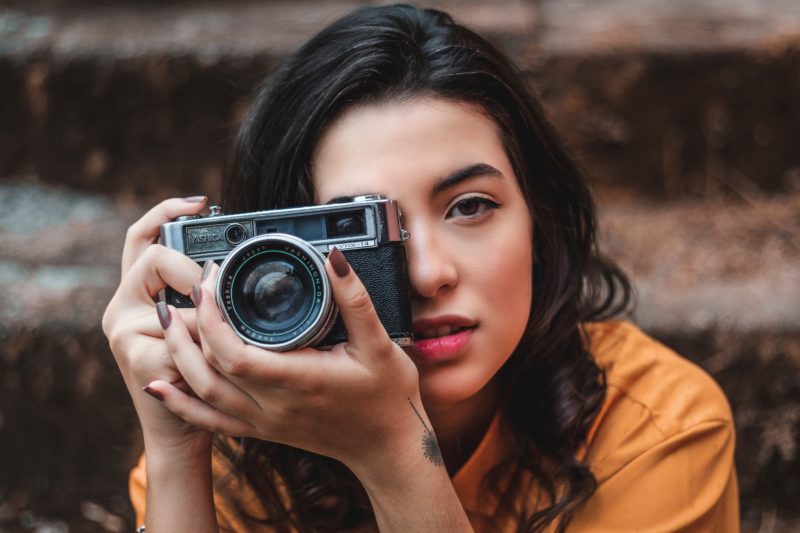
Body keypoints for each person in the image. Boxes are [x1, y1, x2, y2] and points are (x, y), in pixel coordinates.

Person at [102, 4, 739, 532]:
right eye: (358, 227)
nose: (429, 274)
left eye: (470, 207)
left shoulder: (660, 433)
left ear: (539, 222)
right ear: (279, 257)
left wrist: (393, 454)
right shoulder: (236, 442)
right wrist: (178, 450)